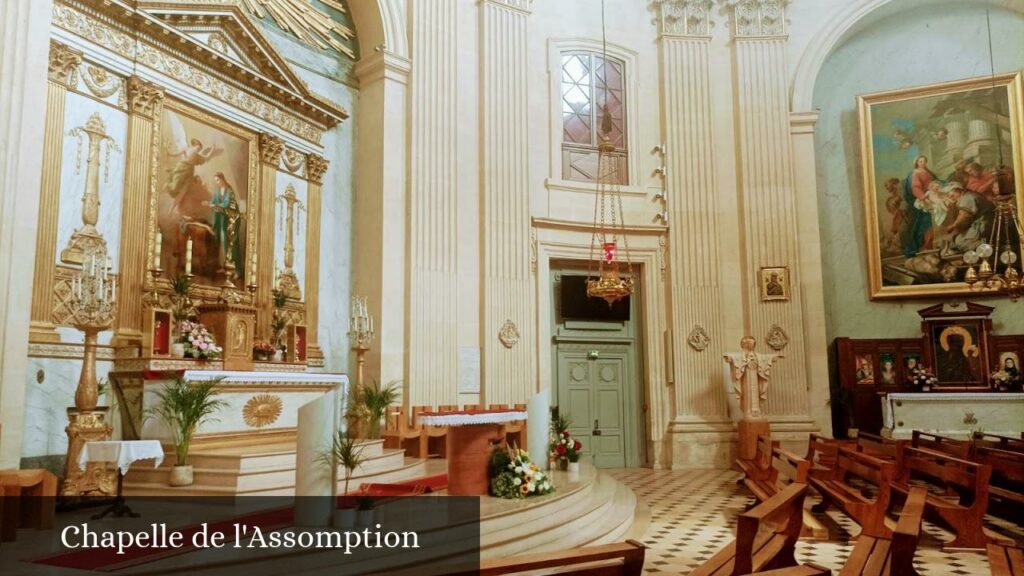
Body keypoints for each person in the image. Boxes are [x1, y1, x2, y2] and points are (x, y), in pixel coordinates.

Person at [943, 182, 995, 252]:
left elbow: (963, 216)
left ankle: (986, 247)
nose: (951, 198)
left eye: (952, 195)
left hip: (985, 225)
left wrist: (953, 226)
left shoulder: (967, 198)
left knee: (961, 243)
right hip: (983, 223)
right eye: (949, 196)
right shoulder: (968, 195)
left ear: (959, 191)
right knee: (957, 239)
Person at [902, 155, 938, 256]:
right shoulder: (915, 173)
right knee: (924, 224)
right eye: (920, 161)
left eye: (924, 161)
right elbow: (915, 188)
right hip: (923, 201)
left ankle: (929, 245)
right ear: (917, 162)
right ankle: (922, 246)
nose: (923, 163)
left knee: (931, 223)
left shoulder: (929, 173)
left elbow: (935, 183)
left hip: (931, 198)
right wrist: (924, 199)